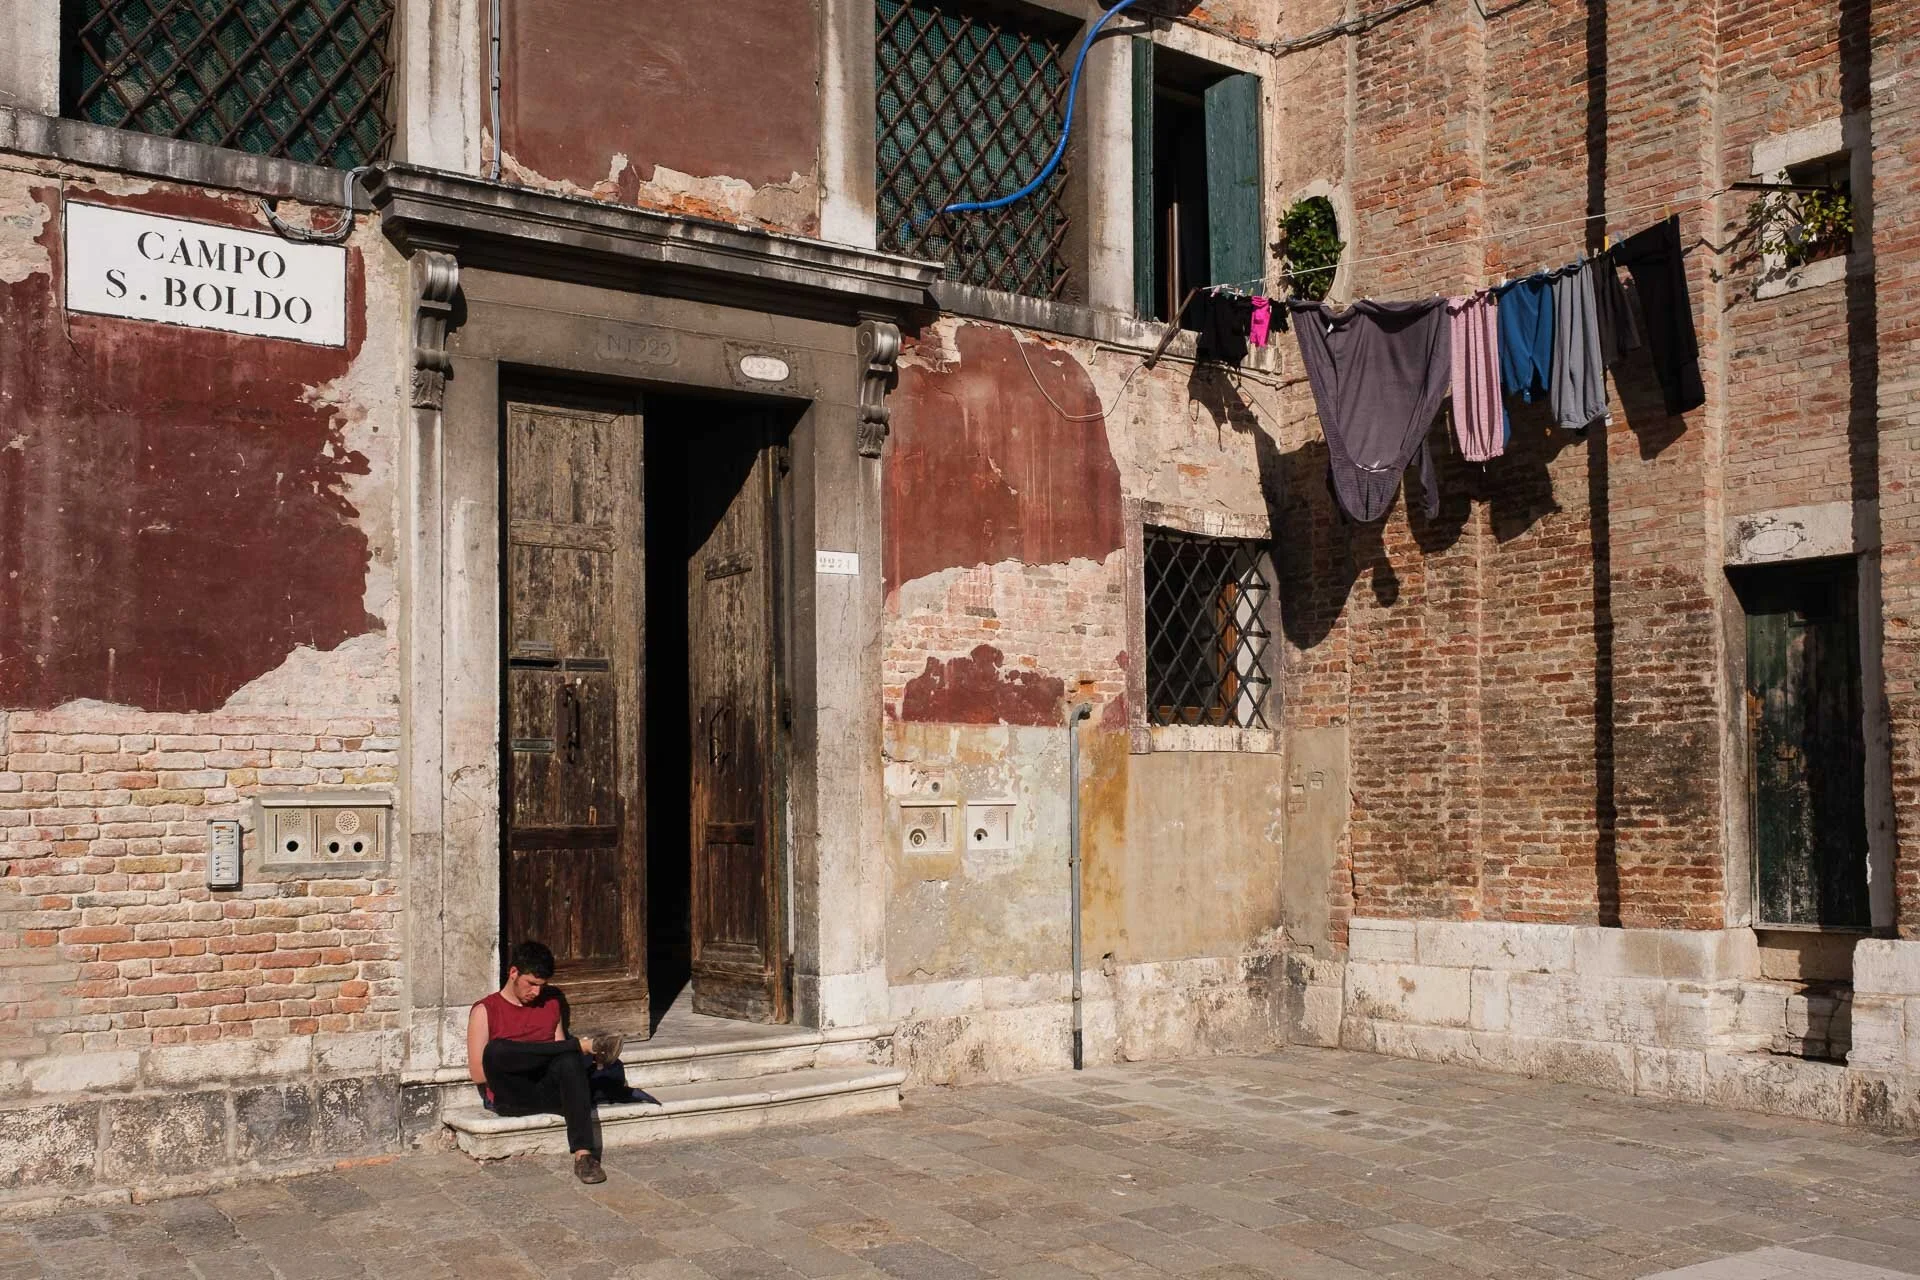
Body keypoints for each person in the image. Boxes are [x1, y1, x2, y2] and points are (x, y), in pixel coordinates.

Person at [466, 940, 623, 1184]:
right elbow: (478, 1074)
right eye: (531, 983)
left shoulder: (551, 1004)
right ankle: (582, 1045)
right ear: (513, 973)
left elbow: (560, 1055)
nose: (536, 992)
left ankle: (584, 1156)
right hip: (511, 1095)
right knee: (497, 1050)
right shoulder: (485, 1010)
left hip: (548, 1091)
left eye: (542, 985)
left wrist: (551, 1056)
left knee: (569, 1058)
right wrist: (526, 1058)